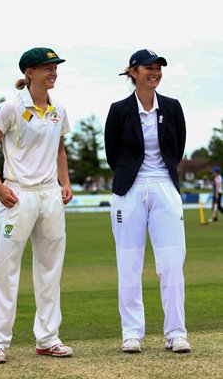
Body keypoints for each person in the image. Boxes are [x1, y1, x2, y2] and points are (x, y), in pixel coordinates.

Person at [0, 47, 73, 363]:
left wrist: (65, 182)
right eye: (47, 67)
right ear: (29, 72)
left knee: (50, 270)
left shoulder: (58, 108)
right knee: (5, 269)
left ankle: (48, 338)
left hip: (49, 196)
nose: (53, 72)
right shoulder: (10, 107)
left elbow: (59, 149)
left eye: (55, 67)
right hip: (17, 196)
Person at [104, 49, 191, 353]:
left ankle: (176, 332)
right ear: (133, 72)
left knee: (171, 264)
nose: (154, 73)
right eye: (148, 68)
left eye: (158, 68)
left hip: (165, 187)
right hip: (129, 189)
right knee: (129, 264)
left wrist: (157, 177)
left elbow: (177, 149)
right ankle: (132, 332)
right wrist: (133, 176)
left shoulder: (172, 106)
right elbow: (112, 154)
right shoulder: (118, 110)